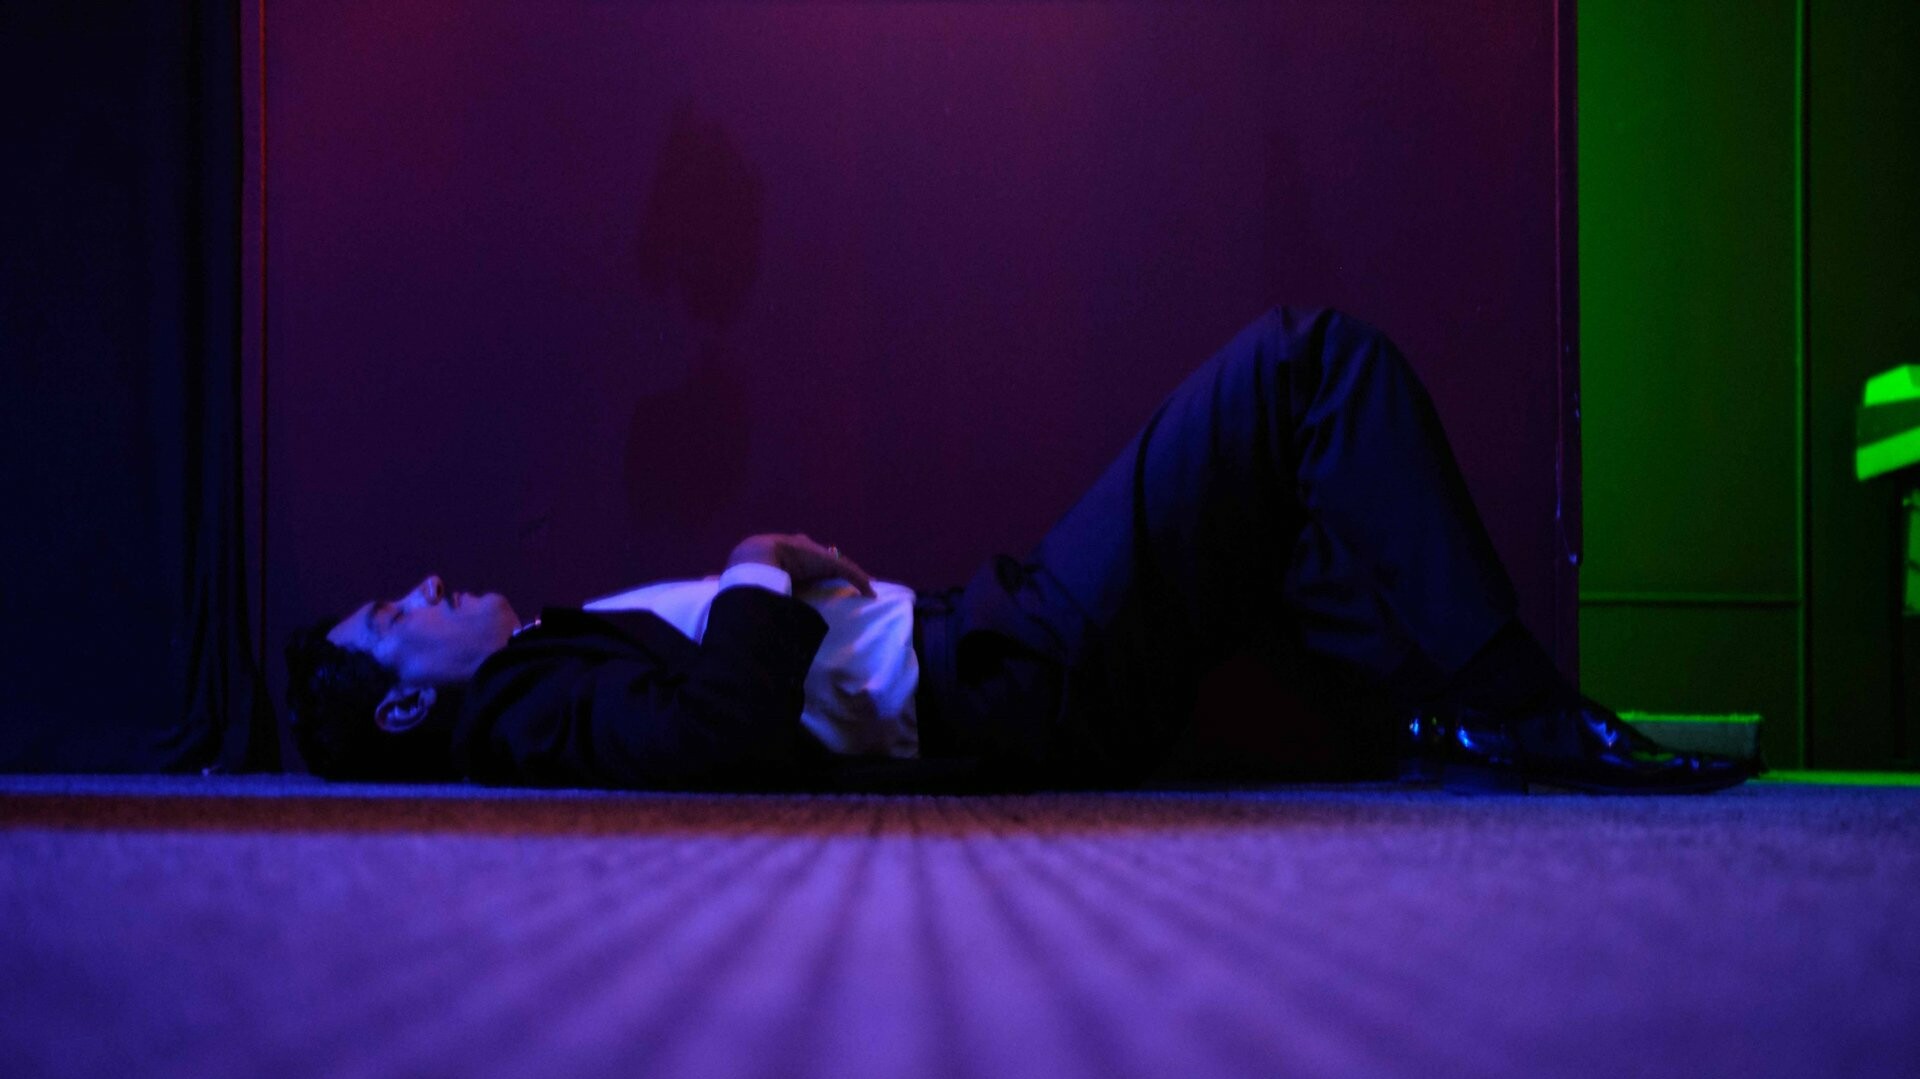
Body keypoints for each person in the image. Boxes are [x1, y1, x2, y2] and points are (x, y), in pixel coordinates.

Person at [286, 306, 1754, 794]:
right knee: (1305, 367)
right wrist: (755, 559)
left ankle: (1455, 716)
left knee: (1280, 521)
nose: (423, 587)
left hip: (992, 653)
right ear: (408, 702)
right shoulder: (524, 706)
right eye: (390, 616)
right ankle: (1518, 709)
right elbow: (714, 737)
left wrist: (800, 584)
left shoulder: (543, 668)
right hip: (1012, 668)